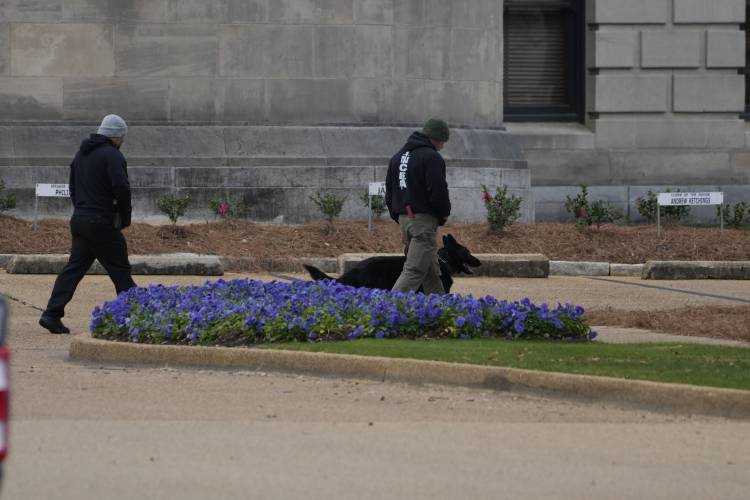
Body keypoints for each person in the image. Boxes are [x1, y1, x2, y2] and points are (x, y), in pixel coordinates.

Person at [39, 114, 137, 334]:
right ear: (117, 136)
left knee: (74, 268)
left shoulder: (81, 154)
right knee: (120, 269)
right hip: (101, 221)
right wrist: (125, 216)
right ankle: (137, 315)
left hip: (80, 219)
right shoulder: (112, 156)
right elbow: (121, 188)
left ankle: (51, 314)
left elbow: (72, 186)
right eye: (122, 137)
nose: (123, 141)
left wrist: (81, 209)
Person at [385, 118, 451, 294]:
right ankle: (385, 310)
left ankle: (441, 309)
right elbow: (438, 190)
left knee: (430, 271)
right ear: (436, 138)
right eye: (443, 141)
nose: (443, 146)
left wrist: (397, 215)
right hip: (423, 221)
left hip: (405, 220)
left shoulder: (398, 157)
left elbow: (390, 190)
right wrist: (443, 213)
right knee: (414, 270)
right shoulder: (431, 157)